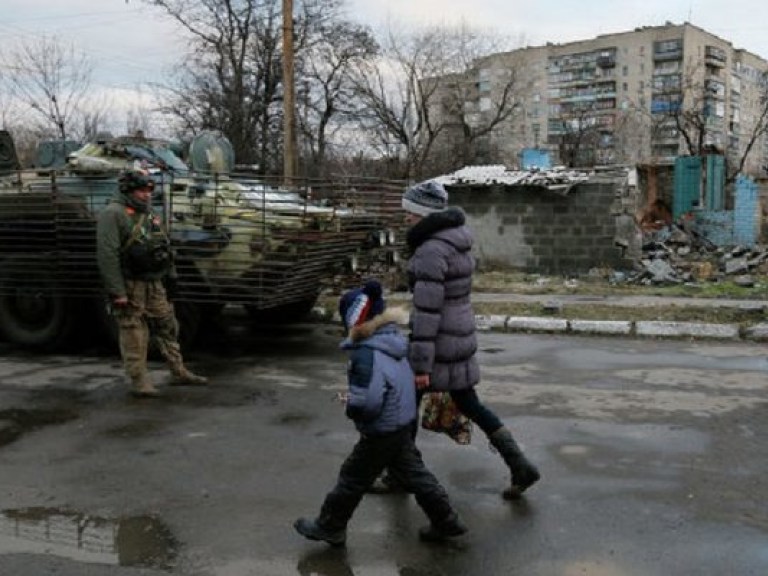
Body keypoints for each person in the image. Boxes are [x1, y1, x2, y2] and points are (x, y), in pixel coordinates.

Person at [391, 180, 540, 500]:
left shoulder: (431, 249)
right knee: (469, 403)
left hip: (439, 341)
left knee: (405, 406)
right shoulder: (455, 241)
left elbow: (428, 311)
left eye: (409, 212)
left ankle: (401, 474)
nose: (405, 218)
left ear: (423, 213)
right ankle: (520, 465)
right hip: (458, 334)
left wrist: (420, 365)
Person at [293, 280, 467, 546]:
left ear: (353, 321)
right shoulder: (393, 342)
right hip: (400, 423)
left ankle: (331, 526)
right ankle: (446, 520)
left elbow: (369, 401)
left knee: (352, 476)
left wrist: (352, 406)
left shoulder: (365, 354)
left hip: (381, 428)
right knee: (416, 475)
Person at [96, 169, 208, 398]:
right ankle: (139, 379)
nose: (146, 195)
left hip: (154, 280)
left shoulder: (149, 214)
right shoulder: (113, 214)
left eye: (148, 190)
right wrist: (117, 291)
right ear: (128, 190)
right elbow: (107, 255)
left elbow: (163, 246)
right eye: (141, 190)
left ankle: (178, 369)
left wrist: (172, 276)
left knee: (168, 324)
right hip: (131, 283)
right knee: (134, 331)